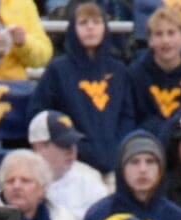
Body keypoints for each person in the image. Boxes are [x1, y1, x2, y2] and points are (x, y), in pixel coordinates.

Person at [31, 1, 132, 173]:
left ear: (105, 28)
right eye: (83, 23)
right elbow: (41, 114)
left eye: (96, 22)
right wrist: (71, 146)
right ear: (72, 28)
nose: (90, 28)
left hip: (115, 164)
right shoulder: (58, 70)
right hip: (73, 163)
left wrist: (117, 148)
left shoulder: (119, 71)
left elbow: (128, 116)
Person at [79, 129, 181, 220]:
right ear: (121, 169)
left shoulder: (176, 217)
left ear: (161, 168)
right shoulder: (99, 215)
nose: (143, 169)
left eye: (150, 161)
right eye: (134, 162)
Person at [26, 109, 105, 220]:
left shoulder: (90, 180)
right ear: (39, 148)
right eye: (63, 144)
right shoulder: (20, 180)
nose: (71, 151)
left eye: (73, 144)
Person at [129, 3, 181, 135]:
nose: (165, 40)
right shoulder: (135, 75)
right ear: (150, 40)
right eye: (159, 34)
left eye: (171, 33)